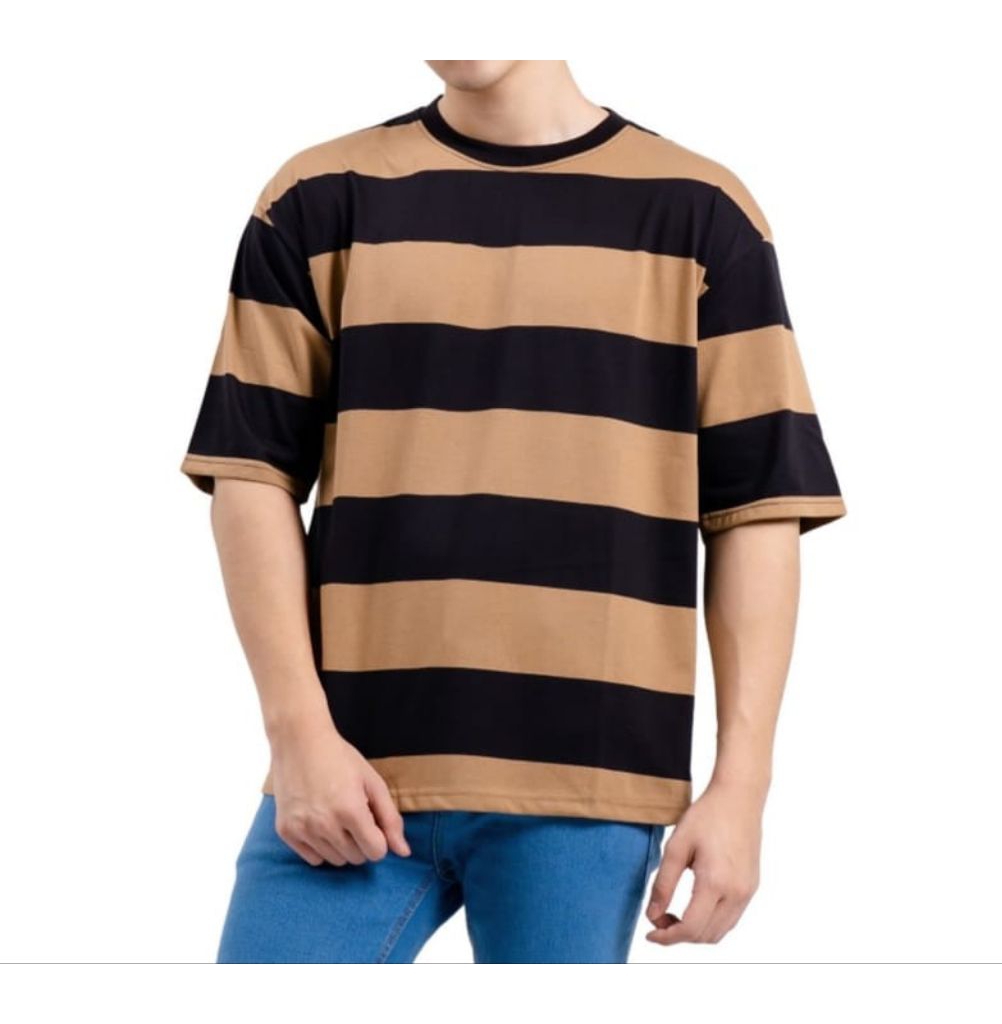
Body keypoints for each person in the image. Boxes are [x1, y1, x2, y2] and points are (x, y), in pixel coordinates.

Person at [179, 59, 847, 964]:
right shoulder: (319, 196)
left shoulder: (700, 211)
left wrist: (743, 788)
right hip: (350, 772)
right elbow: (251, 474)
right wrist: (296, 735)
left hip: (590, 781)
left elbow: (756, 510)